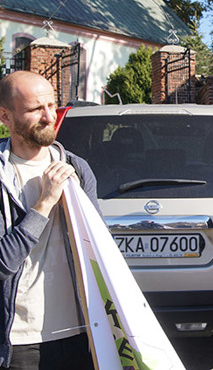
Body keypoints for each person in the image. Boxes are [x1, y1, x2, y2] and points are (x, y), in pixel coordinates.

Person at [0, 71, 100, 369]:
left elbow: (98, 251)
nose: (49, 117)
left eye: (52, 105)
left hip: (82, 332)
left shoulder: (76, 168)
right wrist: (44, 203)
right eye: (35, 109)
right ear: (5, 116)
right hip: (19, 341)